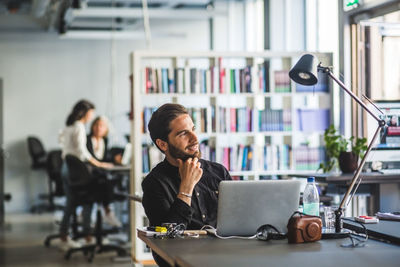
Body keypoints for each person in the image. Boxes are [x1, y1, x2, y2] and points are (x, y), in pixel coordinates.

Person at [141, 103, 232, 265]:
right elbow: (167, 240)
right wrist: (186, 188)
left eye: (193, 129)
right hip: (184, 259)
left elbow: (238, 220)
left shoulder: (218, 172)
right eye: (183, 134)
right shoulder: (154, 183)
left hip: (225, 255)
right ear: (163, 144)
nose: (195, 138)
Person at [58, 100, 113, 251]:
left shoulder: (70, 125)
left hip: (66, 166)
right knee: (76, 200)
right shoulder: (79, 127)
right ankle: (68, 236)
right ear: (85, 112)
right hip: (73, 169)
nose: (92, 116)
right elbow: (82, 152)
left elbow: (62, 143)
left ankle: (83, 234)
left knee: (73, 201)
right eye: (91, 113)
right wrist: (98, 164)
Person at [86, 116, 123, 227]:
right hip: (89, 173)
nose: (98, 128)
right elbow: (90, 158)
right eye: (96, 125)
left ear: (106, 129)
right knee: (105, 182)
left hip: (100, 173)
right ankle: (108, 212)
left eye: (101, 126)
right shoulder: (87, 139)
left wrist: (114, 160)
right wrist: (102, 164)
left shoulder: (104, 141)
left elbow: (104, 158)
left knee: (108, 180)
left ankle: (107, 212)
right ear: (92, 126)